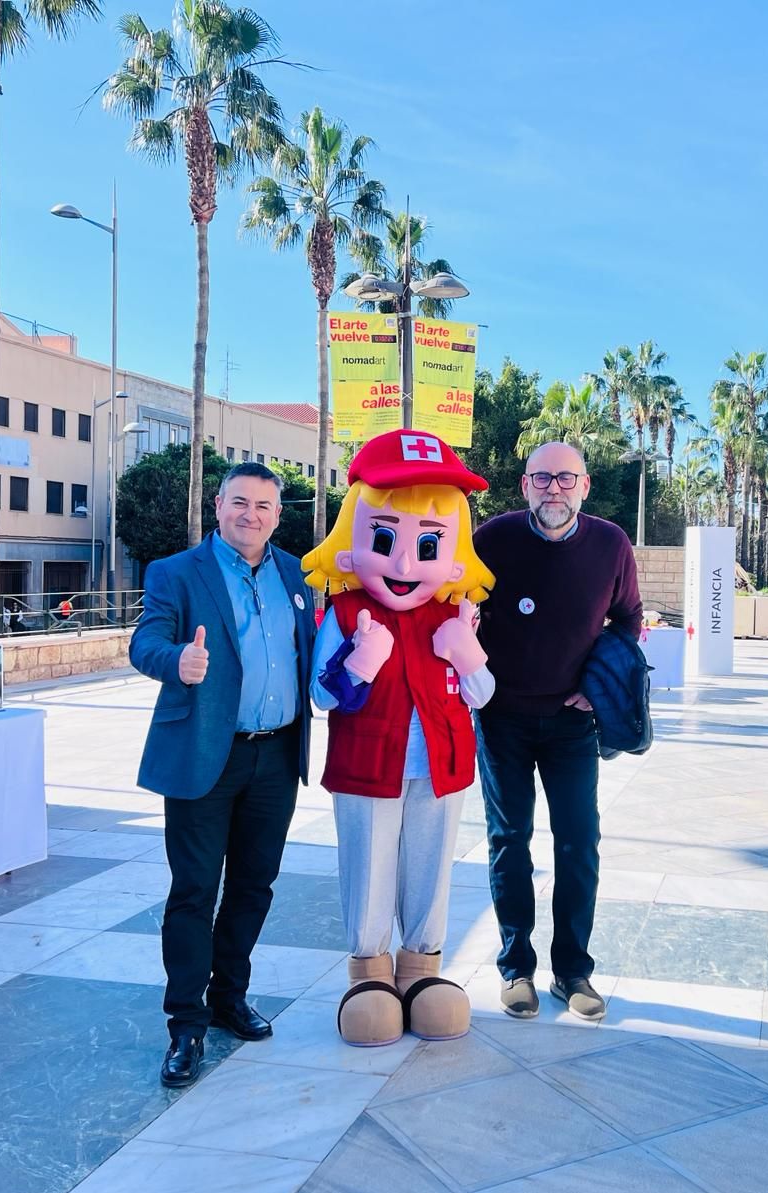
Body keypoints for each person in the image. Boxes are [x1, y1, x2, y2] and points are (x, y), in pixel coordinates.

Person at [302, 430, 497, 1047]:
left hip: (440, 767)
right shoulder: (347, 612)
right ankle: (369, 975)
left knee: (430, 866)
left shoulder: (453, 613)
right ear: (351, 543)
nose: (406, 565)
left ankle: (421, 969)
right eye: (384, 541)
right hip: (367, 766)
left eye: (428, 544)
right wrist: (359, 663)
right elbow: (321, 695)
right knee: (368, 867)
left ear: (455, 554)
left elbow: (482, 694)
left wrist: (468, 655)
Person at [129, 463, 315, 1087]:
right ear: (218, 505)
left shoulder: (297, 574)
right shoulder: (177, 572)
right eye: (240, 502)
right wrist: (176, 659)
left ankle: (229, 998)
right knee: (194, 891)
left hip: (277, 756)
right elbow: (144, 642)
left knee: (254, 886)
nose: (250, 515)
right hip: (205, 754)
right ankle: (186, 1024)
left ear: (278, 515)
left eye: (263, 505)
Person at [474, 441, 642, 1022]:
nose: (555, 489)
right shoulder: (492, 539)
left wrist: (597, 685)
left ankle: (572, 971)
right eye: (542, 478)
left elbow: (628, 618)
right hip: (501, 718)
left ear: (585, 486)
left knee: (577, 844)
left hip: (573, 722)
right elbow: (457, 604)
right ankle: (515, 968)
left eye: (566, 478)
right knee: (508, 840)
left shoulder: (611, 544)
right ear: (525, 485)